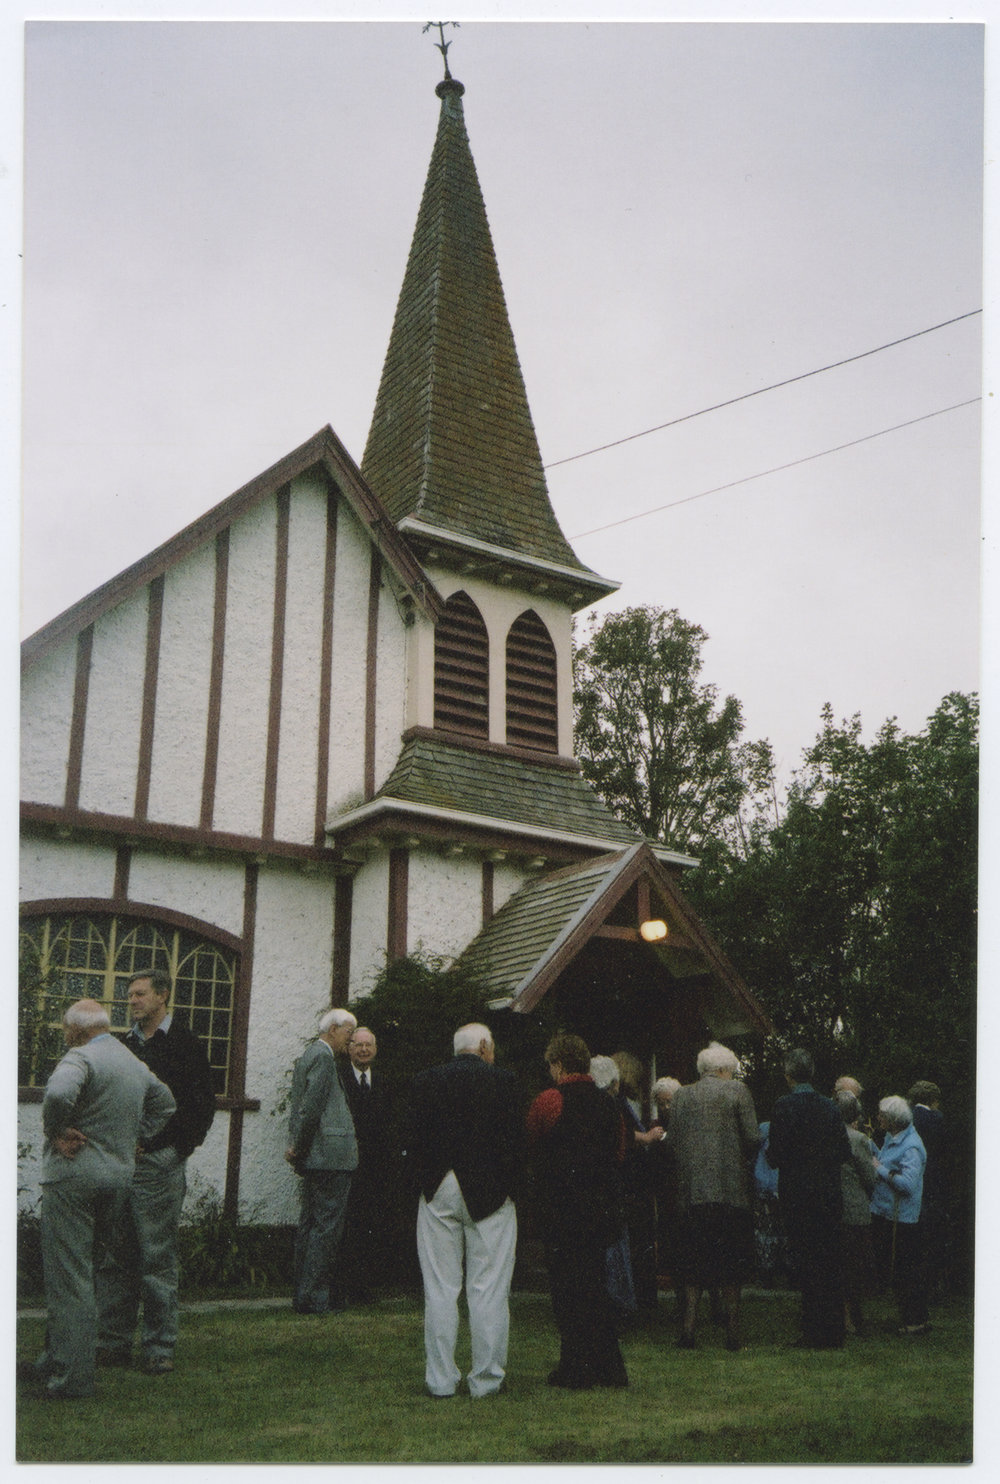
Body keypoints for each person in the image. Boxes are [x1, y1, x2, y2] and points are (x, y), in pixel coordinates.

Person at [25, 1000, 176, 1400]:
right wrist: (135, 1138)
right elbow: (166, 1103)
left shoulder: (80, 1057)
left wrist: (57, 1131)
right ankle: (53, 1358)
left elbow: (58, 1093)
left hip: (73, 1178)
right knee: (86, 1273)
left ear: (76, 1030)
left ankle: (71, 1378)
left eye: (65, 1029)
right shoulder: (131, 1062)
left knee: (68, 1277)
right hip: (118, 1180)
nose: (65, 1036)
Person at [96, 969, 216, 1374]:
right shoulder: (124, 1044)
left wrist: (172, 1149)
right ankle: (112, 1343)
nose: (132, 1000)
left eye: (140, 994)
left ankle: (158, 1347)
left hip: (159, 1166)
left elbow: (201, 1107)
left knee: (156, 1256)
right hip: (121, 1164)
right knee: (116, 1256)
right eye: (130, 994)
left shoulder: (185, 1044)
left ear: (162, 996)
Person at [402, 1023, 521, 1399]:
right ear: (484, 1046)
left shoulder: (425, 1081)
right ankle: (486, 1379)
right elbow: (516, 1143)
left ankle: (440, 1380)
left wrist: (427, 1182)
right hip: (490, 1193)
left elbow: (411, 1137)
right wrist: (510, 1188)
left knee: (440, 1288)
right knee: (489, 1289)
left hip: (438, 1189)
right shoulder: (506, 1082)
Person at [526, 1033, 629, 1390]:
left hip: (562, 1210)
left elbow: (533, 1144)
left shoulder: (549, 1100)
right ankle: (610, 1367)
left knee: (567, 1291)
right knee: (595, 1287)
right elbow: (618, 1154)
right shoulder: (610, 1105)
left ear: (557, 1065)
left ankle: (576, 1367)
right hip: (600, 1209)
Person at [665, 1042, 759, 1351]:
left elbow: (672, 1142)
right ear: (722, 1070)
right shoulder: (737, 1092)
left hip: (692, 1193)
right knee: (731, 1264)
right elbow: (752, 1137)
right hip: (730, 1191)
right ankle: (733, 1333)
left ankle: (688, 1330)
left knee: (692, 1264)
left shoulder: (681, 1095)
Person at [767, 1047, 850, 1348]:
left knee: (806, 1262)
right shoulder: (829, 1107)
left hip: (798, 1195)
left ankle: (813, 1330)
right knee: (828, 1261)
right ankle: (833, 1330)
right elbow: (844, 1151)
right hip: (827, 1194)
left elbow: (775, 1155)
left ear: (788, 1075)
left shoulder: (783, 1106)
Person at [285, 1008, 359, 1315]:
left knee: (311, 1226)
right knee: (325, 1229)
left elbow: (304, 1107)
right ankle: (315, 1298)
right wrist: (299, 1148)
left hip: (318, 1157)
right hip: (329, 1158)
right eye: (348, 1033)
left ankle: (304, 1295)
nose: (350, 1040)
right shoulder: (323, 1058)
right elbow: (311, 1108)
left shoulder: (312, 1055)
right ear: (332, 1030)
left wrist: (299, 1148)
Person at [331, 1026, 395, 1305]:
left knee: (369, 1226)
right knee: (344, 1227)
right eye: (358, 1045)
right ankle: (338, 1288)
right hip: (345, 1164)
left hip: (374, 1169)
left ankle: (362, 1288)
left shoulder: (384, 1082)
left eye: (369, 1045)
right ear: (349, 1049)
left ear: (376, 1049)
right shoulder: (339, 1079)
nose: (364, 1050)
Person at [870, 1094, 928, 1335]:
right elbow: (885, 1160)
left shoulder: (911, 1146)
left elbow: (908, 1184)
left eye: (882, 1115)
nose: (878, 1118)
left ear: (893, 1120)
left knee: (906, 1270)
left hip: (902, 1217)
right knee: (897, 1269)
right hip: (886, 1212)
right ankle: (909, 1316)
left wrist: (880, 1169)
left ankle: (916, 1320)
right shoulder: (892, 1137)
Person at [834, 1088, 877, 1336]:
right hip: (854, 1209)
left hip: (832, 1208)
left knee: (840, 1265)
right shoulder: (858, 1139)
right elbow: (869, 1177)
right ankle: (850, 1318)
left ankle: (846, 1316)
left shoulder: (824, 1136)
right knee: (854, 1267)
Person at [907, 1080, 948, 1297]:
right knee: (933, 1232)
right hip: (933, 1178)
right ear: (933, 1100)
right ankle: (932, 1282)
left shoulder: (908, 1118)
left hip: (912, 1176)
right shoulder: (936, 1119)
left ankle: (914, 1281)